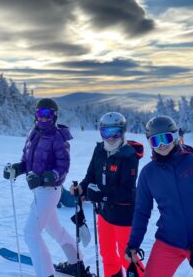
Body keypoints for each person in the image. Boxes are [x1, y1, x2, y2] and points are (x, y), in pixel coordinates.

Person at [125, 115, 193, 277]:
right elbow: (142, 212)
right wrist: (133, 244)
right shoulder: (148, 174)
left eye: (166, 138)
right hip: (169, 241)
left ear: (175, 138)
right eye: (156, 141)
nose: (162, 145)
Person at [3, 98, 90, 277]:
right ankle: (77, 263)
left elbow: (63, 166)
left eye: (48, 114)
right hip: (40, 192)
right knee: (54, 229)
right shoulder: (33, 134)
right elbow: (26, 161)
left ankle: (46, 273)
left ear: (54, 116)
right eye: (40, 114)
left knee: (30, 233)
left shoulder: (58, 137)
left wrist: (46, 178)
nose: (44, 118)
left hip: (49, 191)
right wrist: (17, 168)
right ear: (35, 115)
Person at [70, 112, 145, 277]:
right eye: (106, 132)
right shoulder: (99, 150)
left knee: (128, 258)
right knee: (108, 255)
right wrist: (81, 188)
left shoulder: (129, 156)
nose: (110, 137)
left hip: (124, 215)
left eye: (115, 132)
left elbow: (127, 190)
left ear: (123, 132)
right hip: (104, 214)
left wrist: (102, 195)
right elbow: (90, 175)